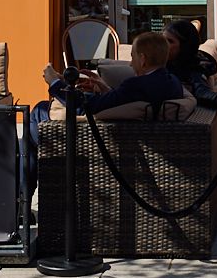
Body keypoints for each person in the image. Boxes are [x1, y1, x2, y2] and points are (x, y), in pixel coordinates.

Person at [26, 30, 186, 192]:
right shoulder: (172, 82)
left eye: (133, 57)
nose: (131, 64)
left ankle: (22, 198)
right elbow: (124, 102)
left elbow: (86, 108)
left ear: (143, 59)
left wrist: (54, 82)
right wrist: (105, 89)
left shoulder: (135, 85)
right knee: (26, 144)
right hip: (140, 137)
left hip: (100, 140)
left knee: (37, 113)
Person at [164, 18, 217, 103]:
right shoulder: (157, 61)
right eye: (162, 39)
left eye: (170, 41)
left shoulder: (194, 69)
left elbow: (201, 90)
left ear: (184, 46)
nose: (163, 44)